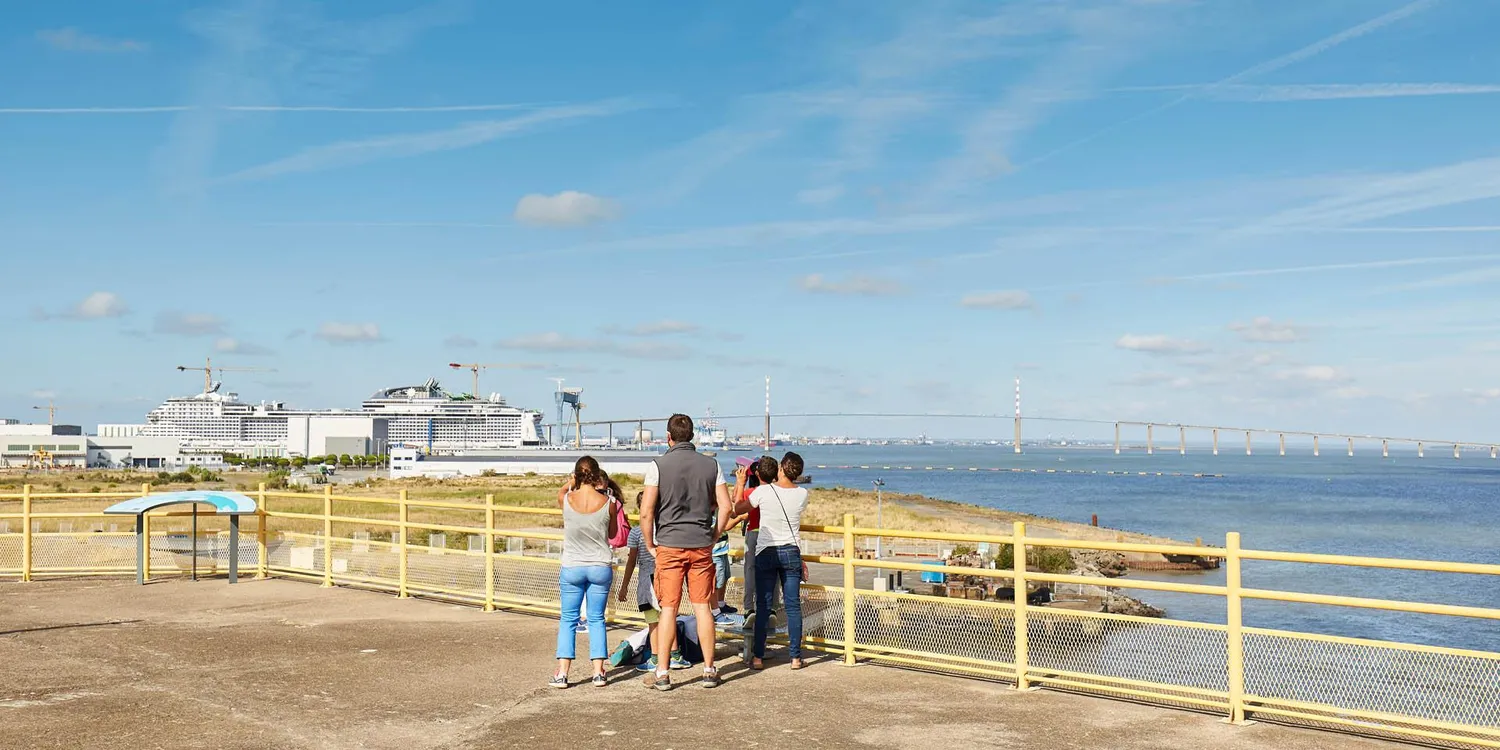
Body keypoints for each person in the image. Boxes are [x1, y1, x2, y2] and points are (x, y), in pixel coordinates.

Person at [640, 413, 733, 690]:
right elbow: (726, 507)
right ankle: (708, 669)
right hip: (701, 546)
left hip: (668, 545)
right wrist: (714, 534)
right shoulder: (712, 464)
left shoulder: (658, 465)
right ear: (692, 436)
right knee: (703, 607)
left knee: (668, 609)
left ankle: (663, 672)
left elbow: (646, 512)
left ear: (668, 437)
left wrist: (649, 544)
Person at [736, 451, 810, 670]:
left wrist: (740, 483)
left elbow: (737, 509)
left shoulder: (763, 491)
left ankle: (758, 658)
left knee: (763, 605)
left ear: (781, 469)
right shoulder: (802, 494)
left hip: (766, 551)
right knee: (793, 606)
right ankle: (795, 658)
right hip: (791, 552)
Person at [552, 456, 620, 689]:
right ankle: (599, 672)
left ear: (576, 475)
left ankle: (562, 674)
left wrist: (570, 482)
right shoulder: (608, 502)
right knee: (596, 619)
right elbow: (612, 534)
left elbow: (561, 493)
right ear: (596, 474)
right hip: (600, 565)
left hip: (572, 565)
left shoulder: (567, 499)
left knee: (568, 619)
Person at [614, 492, 689, 673]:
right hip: (667, 576)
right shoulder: (666, 529)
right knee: (669, 616)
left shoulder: (637, 532)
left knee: (653, 621)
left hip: (646, 581)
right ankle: (676, 655)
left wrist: (624, 586)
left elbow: (632, 560)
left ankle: (655, 657)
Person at [733, 455, 781, 626]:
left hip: (754, 532)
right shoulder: (779, 492)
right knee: (773, 573)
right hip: (773, 534)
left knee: (750, 571)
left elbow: (736, 506)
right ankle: (772, 609)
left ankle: (748, 609)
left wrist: (740, 482)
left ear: (757, 474)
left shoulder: (752, 492)